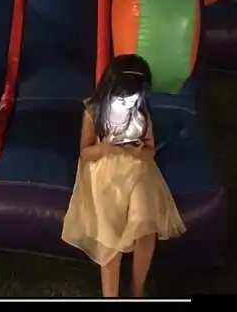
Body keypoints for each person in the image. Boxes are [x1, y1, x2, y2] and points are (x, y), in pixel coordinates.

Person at [61, 54, 186, 298]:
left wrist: (139, 151)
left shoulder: (140, 112)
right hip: (104, 171)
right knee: (110, 238)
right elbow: (85, 153)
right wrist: (104, 148)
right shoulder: (94, 111)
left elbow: (149, 149)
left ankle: (138, 290)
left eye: (134, 98)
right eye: (123, 98)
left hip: (138, 170)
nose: (129, 103)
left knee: (146, 227)